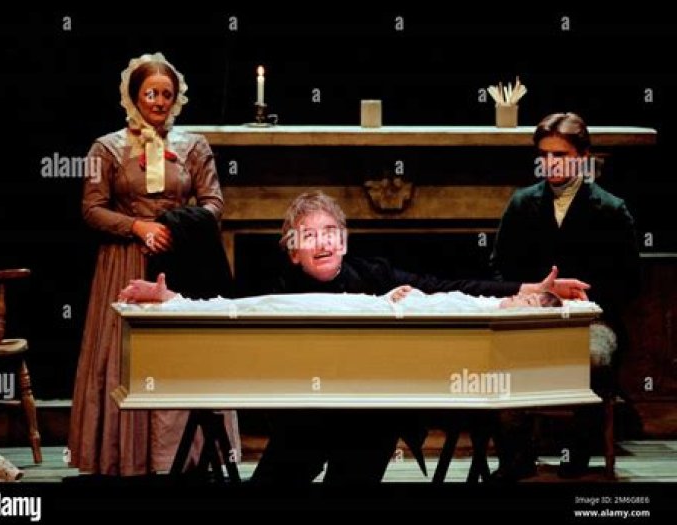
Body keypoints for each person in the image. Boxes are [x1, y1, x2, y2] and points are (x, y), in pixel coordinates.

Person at [123, 190, 590, 483]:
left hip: (369, 416)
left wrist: (529, 289)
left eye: (331, 232)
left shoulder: (376, 275)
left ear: (344, 242)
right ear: (292, 251)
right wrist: (170, 299)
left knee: (366, 443)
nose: (323, 242)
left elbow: (450, 288)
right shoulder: (274, 285)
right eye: (309, 236)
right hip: (303, 416)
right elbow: (226, 308)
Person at [68, 52, 238, 476]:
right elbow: (91, 209)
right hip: (126, 261)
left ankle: (189, 453)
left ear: (176, 99)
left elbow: (214, 203)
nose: (159, 102)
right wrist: (138, 226)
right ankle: (125, 456)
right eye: (151, 94)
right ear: (133, 96)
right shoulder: (106, 148)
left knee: (180, 353)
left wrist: (177, 227)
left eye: (166, 94)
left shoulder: (193, 146)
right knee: (126, 355)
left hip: (181, 261)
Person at [489, 112, 641, 480]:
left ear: (583, 156)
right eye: (544, 155)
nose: (551, 163)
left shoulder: (611, 209)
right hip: (531, 316)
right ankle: (516, 456)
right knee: (498, 353)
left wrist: (582, 298)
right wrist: (534, 294)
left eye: (560, 155)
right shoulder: (522, 204)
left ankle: (577, 453)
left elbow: (629, 282)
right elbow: (499, 270)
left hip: (593, 319)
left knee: (591, 355)